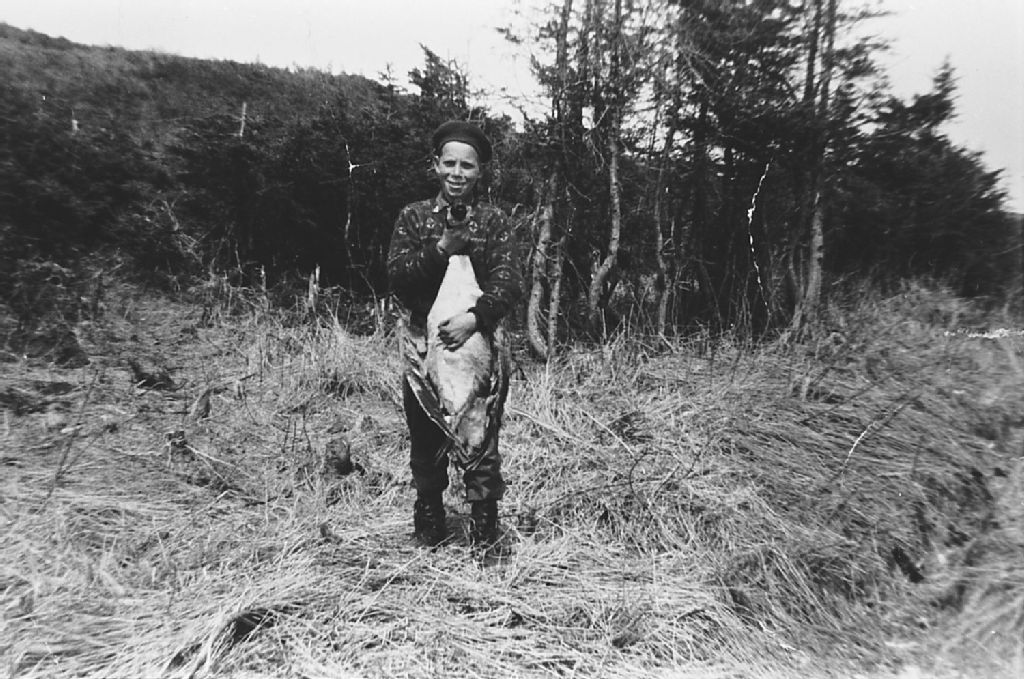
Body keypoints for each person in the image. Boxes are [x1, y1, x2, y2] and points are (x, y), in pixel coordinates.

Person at [387, 121, 523, 551]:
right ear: (436, 165)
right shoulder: (413, 217)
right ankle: (430, 522)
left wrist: (474, 319)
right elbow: (398, 278)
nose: (457, 173)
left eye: (467, 165)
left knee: (479, 432)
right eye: (450, 163)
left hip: (477, 344)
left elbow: (509, 283)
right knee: (425, 431)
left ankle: (485, 529)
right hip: (423, 345)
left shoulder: (494, 221)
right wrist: (442, 248)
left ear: (479, 171)